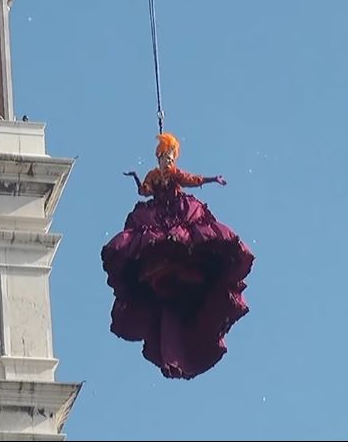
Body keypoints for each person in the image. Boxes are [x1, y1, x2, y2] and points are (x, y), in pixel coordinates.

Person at [101, 133, 255, 379]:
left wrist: (213, 179)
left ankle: (183, 264)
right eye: (165, 155)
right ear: (159, 155)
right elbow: (145, 191)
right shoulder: (154, 175)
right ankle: (167, 268)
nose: (168, 159)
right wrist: (136, 179)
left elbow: (191, 180)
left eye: (171, 156)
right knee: (149, 238)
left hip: (177, 212)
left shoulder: (174, 174)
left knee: (188, 237)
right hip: (159, 216)